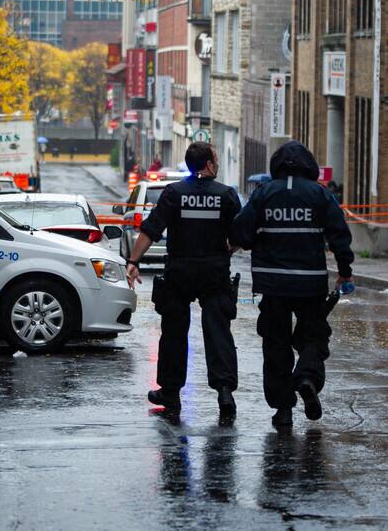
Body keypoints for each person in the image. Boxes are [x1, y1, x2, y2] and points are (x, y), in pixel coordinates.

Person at [231, 141, 353, 429]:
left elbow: (241, 231)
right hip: (309, 284)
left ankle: (283, 409)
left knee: (276, 345)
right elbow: (340, 234)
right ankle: (308, 377)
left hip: (272, 284)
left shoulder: (264, 194)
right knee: (313, 335)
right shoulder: (320, 195)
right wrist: (345, 271)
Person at [126, 142, 242, 420]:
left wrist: (133, 262)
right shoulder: (226, 195)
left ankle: (171, 392)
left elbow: (151, 229)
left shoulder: (174, 193)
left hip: (180, 272)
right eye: (215, 158)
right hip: (214, 273)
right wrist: (229, 248)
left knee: (174, 333)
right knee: (218, 333)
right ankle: (224, 392)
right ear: (210, 164)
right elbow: (241, 233)